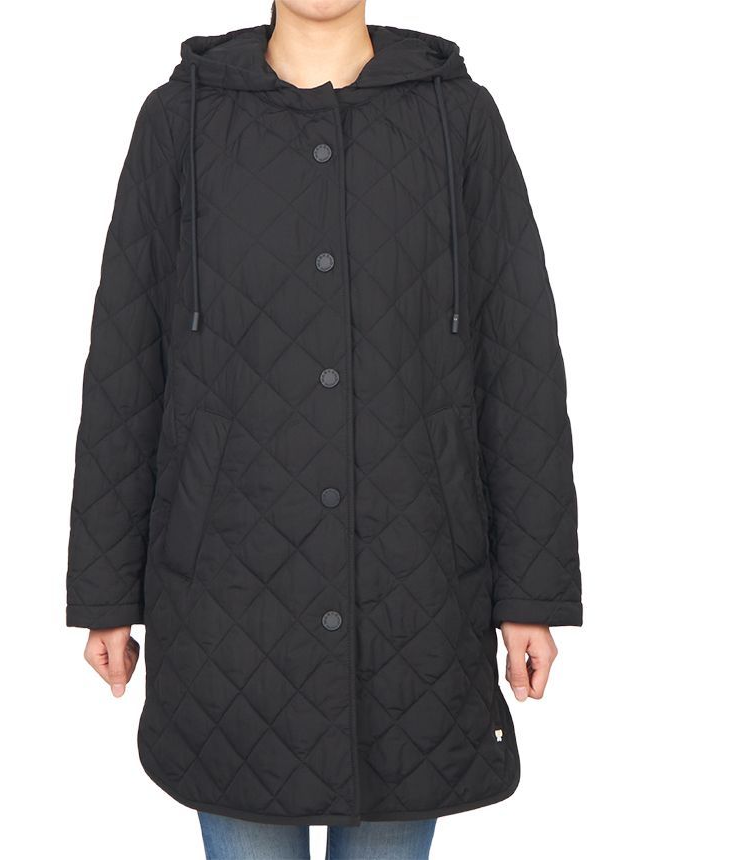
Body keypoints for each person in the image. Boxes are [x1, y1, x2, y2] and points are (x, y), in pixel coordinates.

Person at [65, 1, 583, 857]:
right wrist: (107, 593)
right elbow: (127, 356)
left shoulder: (457, 118)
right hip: (228, 603)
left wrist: (531, 592)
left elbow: (517, 357)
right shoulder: (180, 120)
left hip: (413, 593)